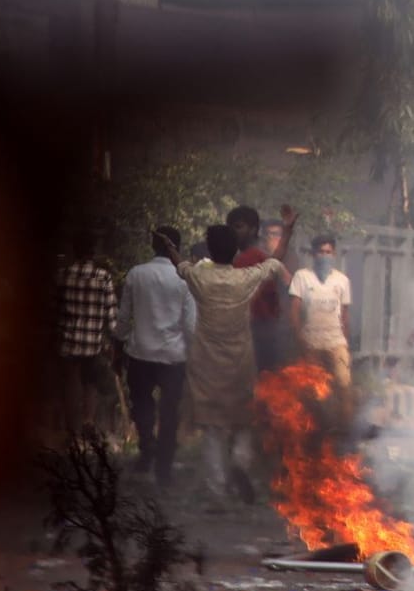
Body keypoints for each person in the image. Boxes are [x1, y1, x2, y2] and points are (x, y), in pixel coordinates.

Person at [165, 218, 293, 501]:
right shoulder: (244, 278)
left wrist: (171, 247)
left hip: (206, 362)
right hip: (240, 359)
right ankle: (239, 460)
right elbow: (276, 261)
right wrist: (288, 231)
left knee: (213, 426)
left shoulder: (200, 276)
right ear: (235, 250)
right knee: (243, 418)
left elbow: (179, 265)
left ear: (210, 250)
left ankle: (217, 487)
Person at [114, 225, 196, 486]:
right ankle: (164, 463)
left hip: (141, 352)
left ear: (152, 245)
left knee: (143, 405)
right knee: (170, 408)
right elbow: (190, 324)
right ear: (178, 247)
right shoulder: (184, 277)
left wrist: (118, 344)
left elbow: (124, 317)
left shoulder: (137, 274)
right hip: (174, 355)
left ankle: (146, 450)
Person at [55, 231, 118, 435]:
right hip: (93, 342)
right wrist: (113, 341)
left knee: (70, 383)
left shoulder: (63, 275)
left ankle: (71, 426)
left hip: (68, 340)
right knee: (91, 382)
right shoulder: (103, 277)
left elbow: (54, 307)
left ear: (75, 250)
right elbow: (111, 313)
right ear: (94, 251)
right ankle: (88, 421)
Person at [290, 232, 354, 409]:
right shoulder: (302, 277)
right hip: (311, 343)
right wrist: (299, 339)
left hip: (336, 342)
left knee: (343, 386)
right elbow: (294, 311)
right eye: (320, 252)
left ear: (333, 254)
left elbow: (345, 315)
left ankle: (345, 429)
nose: (324, 256)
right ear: (313, 254)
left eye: (328, 252)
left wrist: (346, 344)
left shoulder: (342, 280)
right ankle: (316, 430)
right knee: (313, 391)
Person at [230, 206, 294, 373]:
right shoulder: (242, 258)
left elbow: (274, 263)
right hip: (253, 332)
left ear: (253, 229)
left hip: (259, 332)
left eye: (238, 227)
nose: (234, 232)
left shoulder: (251, 257)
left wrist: (287, 232)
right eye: (231, 227)